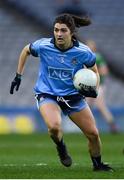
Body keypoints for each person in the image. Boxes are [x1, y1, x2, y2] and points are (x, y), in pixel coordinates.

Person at [10, 14, 113, 171]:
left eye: (63, 30)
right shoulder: (43, 45)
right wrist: (18, 75)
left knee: (93, 134)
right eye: (56, 30)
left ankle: (98, 165)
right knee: (54, 126)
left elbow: (95, 72)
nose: (58, 34)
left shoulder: (83, 51)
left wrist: (94, 88)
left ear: (71, 32)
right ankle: (61, 146)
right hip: (48, 94)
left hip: (73, 97)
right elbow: (26, 50)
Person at [86, 40, 118, 133]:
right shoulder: (86, 57)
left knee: (100, 105)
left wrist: (92, 74)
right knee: (87, 107)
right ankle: (92, 127)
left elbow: (104, 71)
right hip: (89, 86)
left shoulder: (98, 57)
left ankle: (112, 124)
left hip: (98, 85)